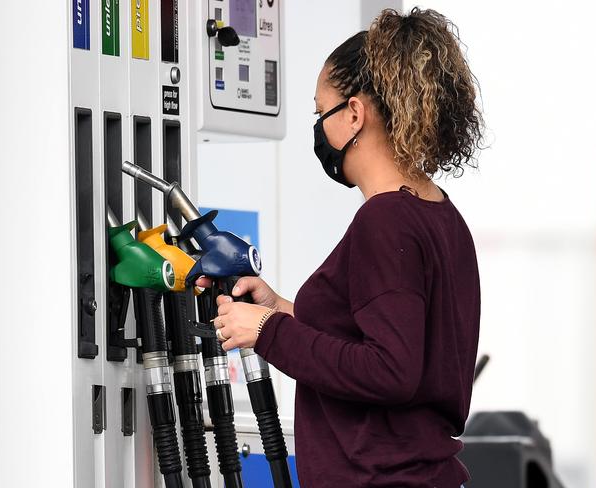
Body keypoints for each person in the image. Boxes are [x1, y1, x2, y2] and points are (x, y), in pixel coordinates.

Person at [202, 8, 482, 487]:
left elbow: (392, 370)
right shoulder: (440, 215)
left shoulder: (386, 220)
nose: (320, 128)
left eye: (321, 112)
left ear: (354, 114)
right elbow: (378, 337)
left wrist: (268, 332)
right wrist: (281, 310)